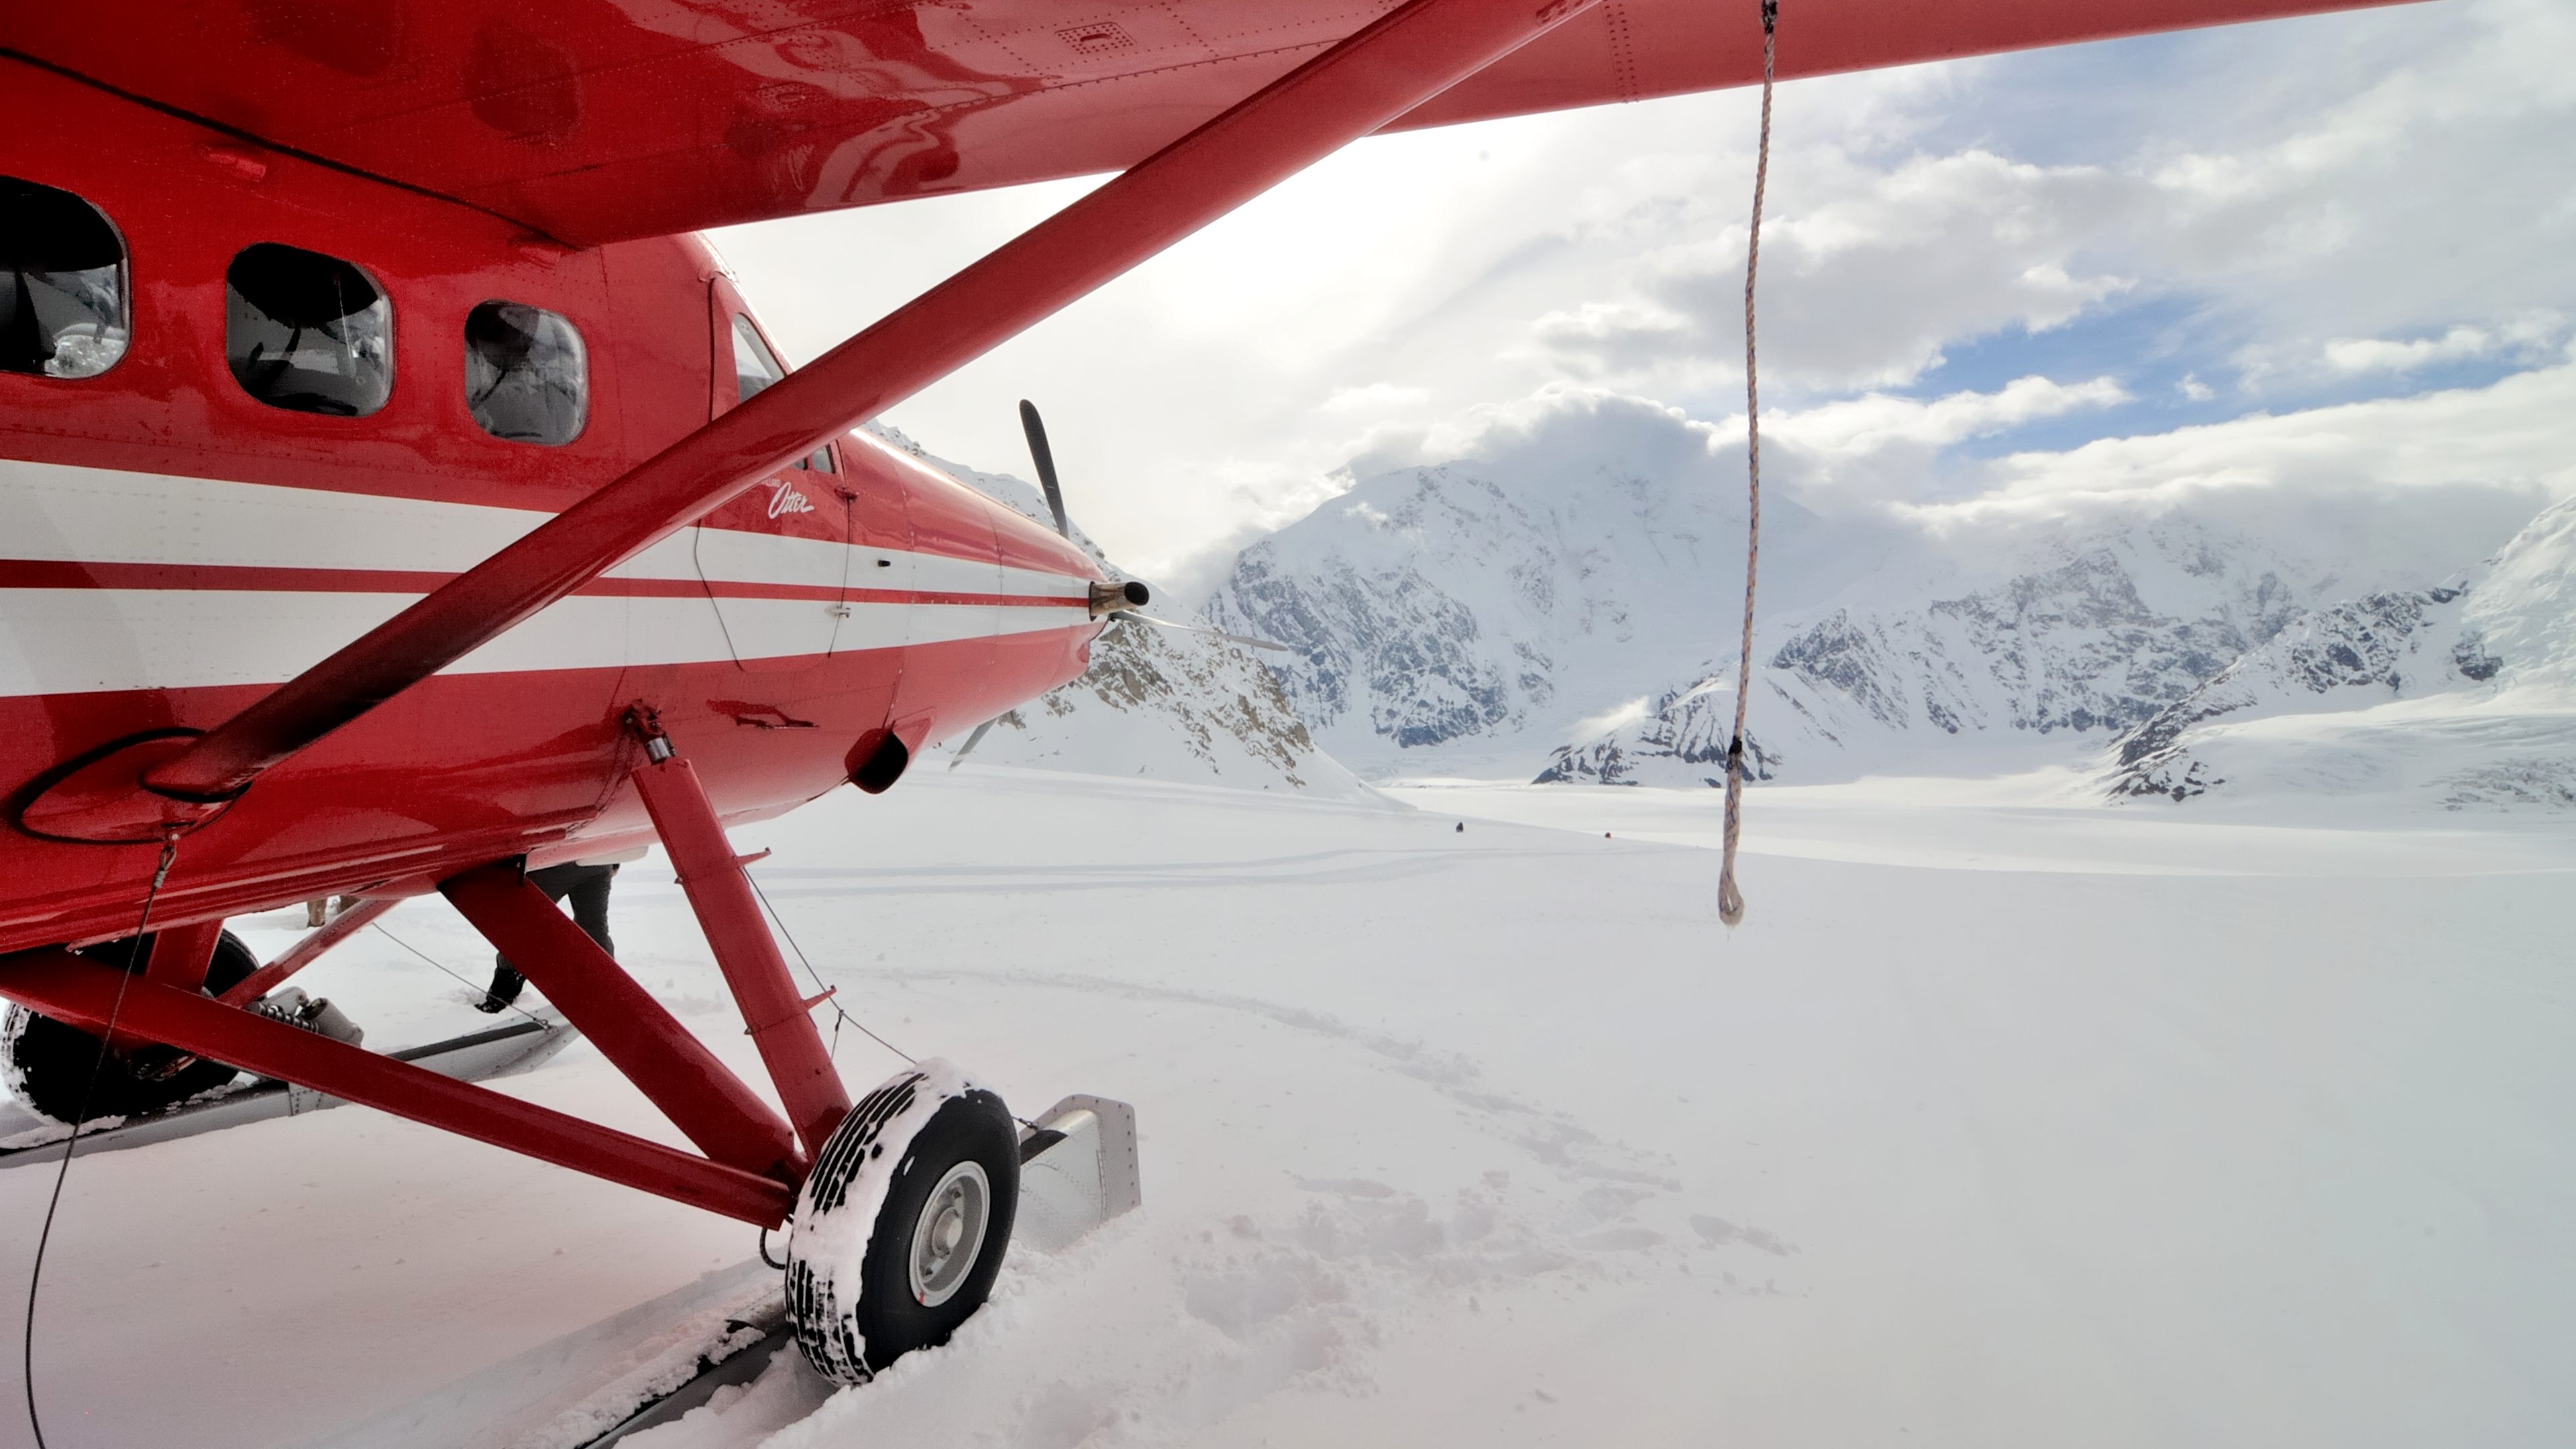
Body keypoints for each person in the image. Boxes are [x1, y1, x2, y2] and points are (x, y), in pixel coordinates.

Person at [478, 861, 619, 1013]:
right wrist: (614, 861)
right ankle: (609, 992)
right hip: (599, 860)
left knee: (523, 928)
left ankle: (500, 999)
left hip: (560, 861)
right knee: (594, 928)